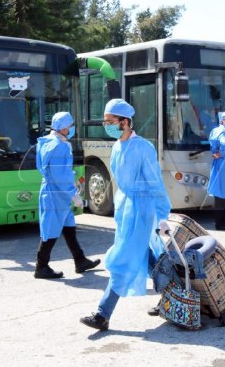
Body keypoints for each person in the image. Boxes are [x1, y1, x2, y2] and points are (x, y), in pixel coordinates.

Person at [80, 99, 172, 332]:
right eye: (105, 121)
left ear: (125, 122)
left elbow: (155, 182)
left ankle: (102, 314)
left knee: (123, 260)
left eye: (110, 121)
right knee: (149, 258)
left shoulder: (143, 147)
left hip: (141, 210)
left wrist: (162, 214)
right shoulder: (117, 147)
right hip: (125, 210)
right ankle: (177, 297)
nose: (106, 125)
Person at [34, 112, 100, 279]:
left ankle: (80, 260)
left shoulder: (47, 141)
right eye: (70, 126)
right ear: (63, 128)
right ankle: (41, 267)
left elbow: (55, 172)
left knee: (68, 226)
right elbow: (59, 176)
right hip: (56, 193)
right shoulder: (59, 146)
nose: (72, 129)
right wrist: (74, 195)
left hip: (54, 192)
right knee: (50, 230)